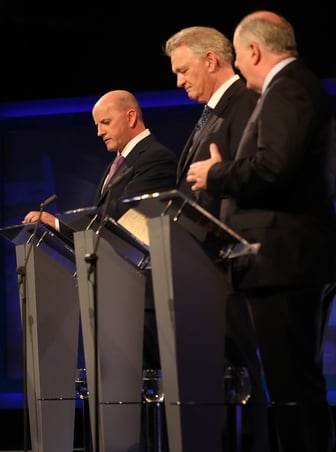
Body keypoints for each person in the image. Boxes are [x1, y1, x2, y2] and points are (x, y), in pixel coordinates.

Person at [187, 10, 336, 452]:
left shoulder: (289, 88)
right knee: (290, 383)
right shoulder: (295, 87)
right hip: (283, 260)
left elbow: (273, 168)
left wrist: (217, 175)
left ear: (253, 50)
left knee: (292, 386)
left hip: (285, 261)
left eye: (239, 55)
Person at [164, 26, 270, 452]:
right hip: (202, 264)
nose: (178, 81)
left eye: (183, 70)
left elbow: (247, 176)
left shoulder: (244, 104)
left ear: (211, 60)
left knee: (245, 374)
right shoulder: (211, 111)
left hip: (232, 265)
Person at [22, 89, 177, 370]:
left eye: (105, 122)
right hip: (115, 292)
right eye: (97, 125)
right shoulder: (113, 165)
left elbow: (125, 224)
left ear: (131, 117)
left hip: (141, 295)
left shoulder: (156, 158)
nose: (99, 132)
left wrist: (56, 224)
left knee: (146, 383)